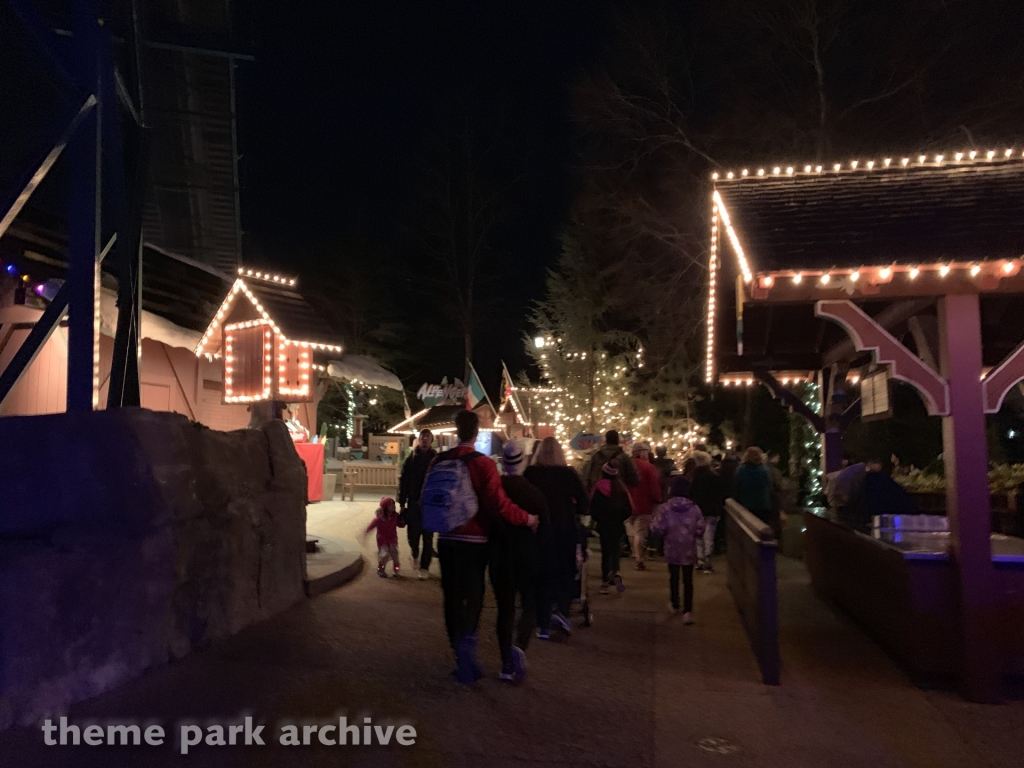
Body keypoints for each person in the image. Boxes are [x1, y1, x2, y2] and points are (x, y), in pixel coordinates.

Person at [431, 409, 539, 684]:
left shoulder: (439, 460)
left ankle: (458, 653)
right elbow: (498, 503)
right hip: (474, 539)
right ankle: (468, 641)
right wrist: (527, 519)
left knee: (451, 596)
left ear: (456, 431)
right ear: (476, 433)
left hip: (446, 537)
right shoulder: (482, 464)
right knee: (473, 594)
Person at [491, 440, 548, 682]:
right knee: (529, 603)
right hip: (527, 555)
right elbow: (545, 528)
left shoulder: (495, 491)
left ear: (503, 463)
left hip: (500, 555)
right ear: (523, 461)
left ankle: (506, 662)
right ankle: (519, 646)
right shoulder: (534, 493)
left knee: (505, 609)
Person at [524, 436, 589, 639]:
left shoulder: (531, 473)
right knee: (566, 571)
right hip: (564, 528)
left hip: (539, 529)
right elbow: (584, 502)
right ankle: (561, 611)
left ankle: (543, 623)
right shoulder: (567, 474)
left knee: (542, 575)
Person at [651, 477, 706, 623]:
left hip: (671, 547)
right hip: (689, 548)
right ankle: (688, 611)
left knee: (674, 577)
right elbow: (700, 528)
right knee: (688, 580)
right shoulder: (694, 508)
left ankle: (675, 603)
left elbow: (657, 528)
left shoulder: (665, 508)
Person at [398, 428, 437, 578]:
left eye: (427, 437)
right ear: (419, 439)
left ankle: (424, 567)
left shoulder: (436, 459)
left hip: (430, 504)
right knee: (413, 534)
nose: (425, 439)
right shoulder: (411, 458)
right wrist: (402, 502)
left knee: (428, 536)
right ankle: (414, 552)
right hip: (414, 502)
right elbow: (404, 481)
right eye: (422, 436)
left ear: (431, 440)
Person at [590, 462, 632, 594]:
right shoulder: (621, 488)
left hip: (604, 524)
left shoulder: (599, 487)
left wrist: (599, 519)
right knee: (615, 549)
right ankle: (615, 572)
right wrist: (620, 518)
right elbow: (628, 509)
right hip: (617, 525)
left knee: (606, 552)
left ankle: (605, 582)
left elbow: (592, 507)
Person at [626, 441, 663, 570]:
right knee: (640, 532)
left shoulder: (626, 466)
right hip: (644, 504)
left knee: (631, 531)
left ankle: (634, 553)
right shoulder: (648, 467)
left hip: (627, 503)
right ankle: (639, 558)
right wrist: (658, 499)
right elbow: (654, 486)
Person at [689, 451, 725, 573]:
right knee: (709, 536)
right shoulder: (714, 477)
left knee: (698, 536)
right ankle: (708, 561)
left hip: (697, 510)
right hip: (711, 510)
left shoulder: (694, 477)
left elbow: (691, 494)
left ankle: (700, 561)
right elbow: (719, 494)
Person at [732, 446, 777, 536]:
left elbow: (736, 487)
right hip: (763, 505)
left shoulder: (740, 470)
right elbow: (770, 487)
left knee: (748, 532)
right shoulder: (765, 470)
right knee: (763, 531)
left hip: (746, 505)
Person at [366, 497, 406, 578]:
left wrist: (403, 521)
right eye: (390, 505)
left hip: (392, 539)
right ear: (385, 507)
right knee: (385, 555)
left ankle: (396, 571)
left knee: (395, 555)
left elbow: (400, 525)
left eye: (393, 505)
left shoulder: (395, 516)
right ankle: (381, 569)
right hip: (382, 540)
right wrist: (366, 532)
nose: (393, 506)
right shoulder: (380, 518)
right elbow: (372, 525)